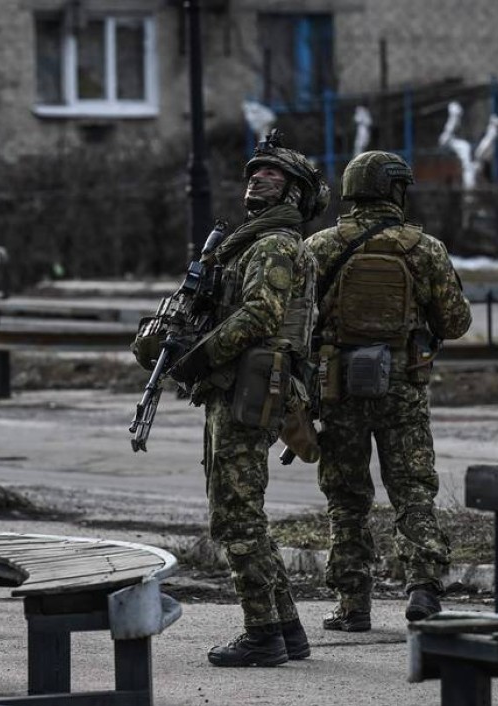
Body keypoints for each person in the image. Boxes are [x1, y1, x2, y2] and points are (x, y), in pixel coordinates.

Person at [136, 131, 329, 666]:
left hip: (252, 387)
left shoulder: (273, 244)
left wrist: (195, 357)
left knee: (235, 514)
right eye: (252, 172)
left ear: (292, 191)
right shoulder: (247, 241)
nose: (256, 178)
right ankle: (286, 628)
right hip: (240, 385)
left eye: (270, 173)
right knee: (246, 512)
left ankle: (261, 633)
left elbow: (260, 316)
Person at [304, 150, 472, 631]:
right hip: (403, 387)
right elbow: (456, 322)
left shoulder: (320, 247)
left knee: (346, 496)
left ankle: (352, 604)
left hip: (337, 389)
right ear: (397, 191)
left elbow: (297, 323)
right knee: (413, 490)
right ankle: (423, 589)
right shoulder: (424, 248)